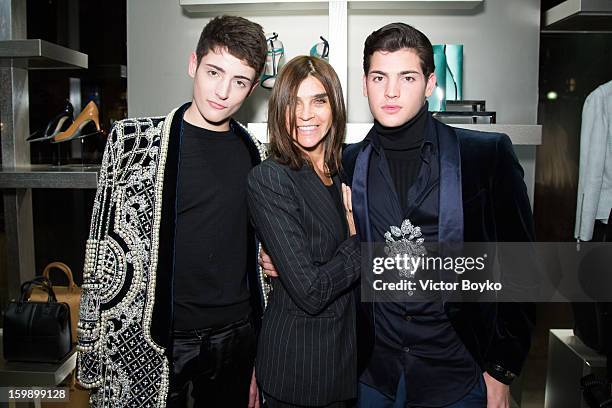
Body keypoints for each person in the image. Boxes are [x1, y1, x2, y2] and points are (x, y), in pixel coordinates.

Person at [262, 23, 535, 408]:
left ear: (429, 83)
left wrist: (501, 370)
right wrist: (281, 259)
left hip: (459, 373)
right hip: (370, 374)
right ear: (364, 84)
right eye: (379, 77)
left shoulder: (484, 156)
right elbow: (326, 246)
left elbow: (523, 269)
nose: (391, 91)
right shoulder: (346, 163)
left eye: (407, 77)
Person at [76, 16, 269, 407]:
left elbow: (259, 256)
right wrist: (94, 351)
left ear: (251, 88)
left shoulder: (258, 155)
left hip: (237, 336)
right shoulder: (134, 144)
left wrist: (260, 361)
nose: (223, 91)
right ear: (192, 64)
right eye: (214, 72)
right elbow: (102, 252)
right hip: (156, 337)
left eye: (239, 81)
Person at [247, 55, 361, 408]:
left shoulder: (348, 169)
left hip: (351, 360)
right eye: (294, 102)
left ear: (335, 106)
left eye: (318, 101)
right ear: (279, 109)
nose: (306, 115)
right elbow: (310, 291)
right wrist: (362, 243)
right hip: (301, 370)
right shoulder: (272, 178)